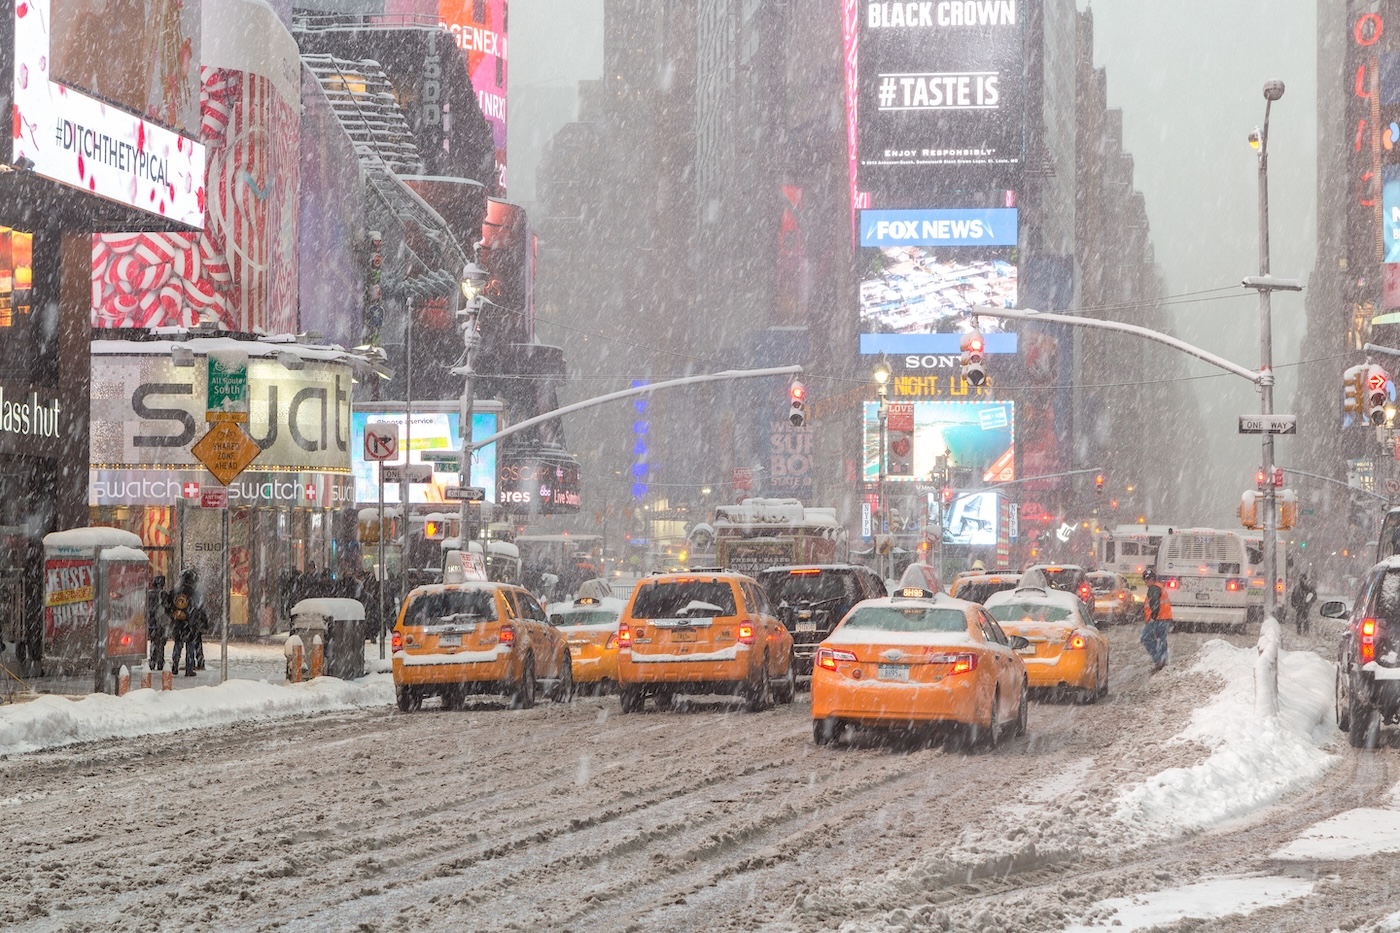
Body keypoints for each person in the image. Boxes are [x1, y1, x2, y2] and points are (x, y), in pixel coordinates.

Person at [168, 569, 201, 676]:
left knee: (178, 644)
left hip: (178, 623)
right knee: (190, 646)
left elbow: (169, 606)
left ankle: (175, 665)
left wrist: (173, 617)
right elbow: (198, 608)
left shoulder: (175, 592)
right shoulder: (194, 593)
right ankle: (189, 668)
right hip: (189, 623)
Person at [1141, 568, 1171, 673]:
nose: (1145, 582)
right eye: (1145, 579)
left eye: (1147, 579)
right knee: (1162, 641)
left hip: (1158, 619)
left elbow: (1154, 603)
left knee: (1145, 638)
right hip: (1165, 618)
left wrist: (1152, 617)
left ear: (1152, 579)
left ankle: (1158, 661)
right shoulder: (1159, 587)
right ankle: (1163, 662)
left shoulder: (1153, 589)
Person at [146, 574, 168, 671]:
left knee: (153, 641)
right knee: (161, 643)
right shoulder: (163, 594)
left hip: (151, 622)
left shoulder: (149, 594)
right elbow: (168, 608)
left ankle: (152, 661)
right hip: (160, 621)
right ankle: (160, 662)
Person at [1291, 569, 1317, 635]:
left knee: (1304, 618)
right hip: (1300, 606)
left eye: (1302, 579)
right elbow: (1293, 597)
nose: (1302, 580)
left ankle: (1304, 631)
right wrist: (1294, 604)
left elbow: (1314, 595)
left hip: (1304, 606)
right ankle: (1300, 630)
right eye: (1301, 579)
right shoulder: (1297, 588)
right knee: (1301, 619)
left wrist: (1310, 602)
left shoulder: (1309, 588)